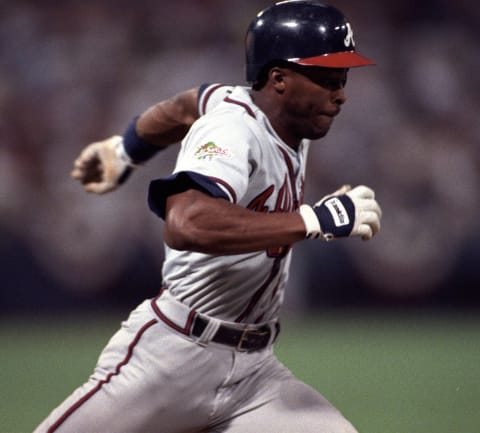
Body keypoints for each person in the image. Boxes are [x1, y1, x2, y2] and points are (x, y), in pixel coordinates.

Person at [35, 1, 382, 432]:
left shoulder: (273, 115)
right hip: (171, 358)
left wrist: (126, 151)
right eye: (327, 79)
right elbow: (187, 223)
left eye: (343, 78)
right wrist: (312, 221)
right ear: (278, 79)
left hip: (254, 374)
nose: (341, 93)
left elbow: (187, 104)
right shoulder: (233, 130)